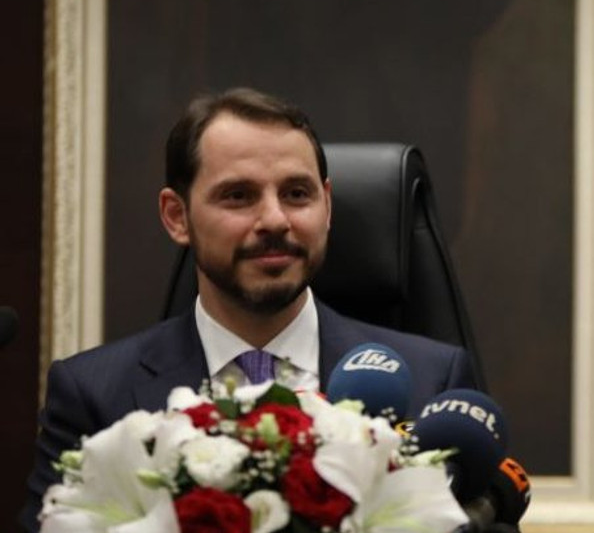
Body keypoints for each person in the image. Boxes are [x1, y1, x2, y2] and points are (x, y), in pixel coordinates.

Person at [22, 88, 479, 531]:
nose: (275, 220)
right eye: (238, 196)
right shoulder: (94, 396)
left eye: (296, 194)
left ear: (327, 205)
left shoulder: (432, 383)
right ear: (177, 216)